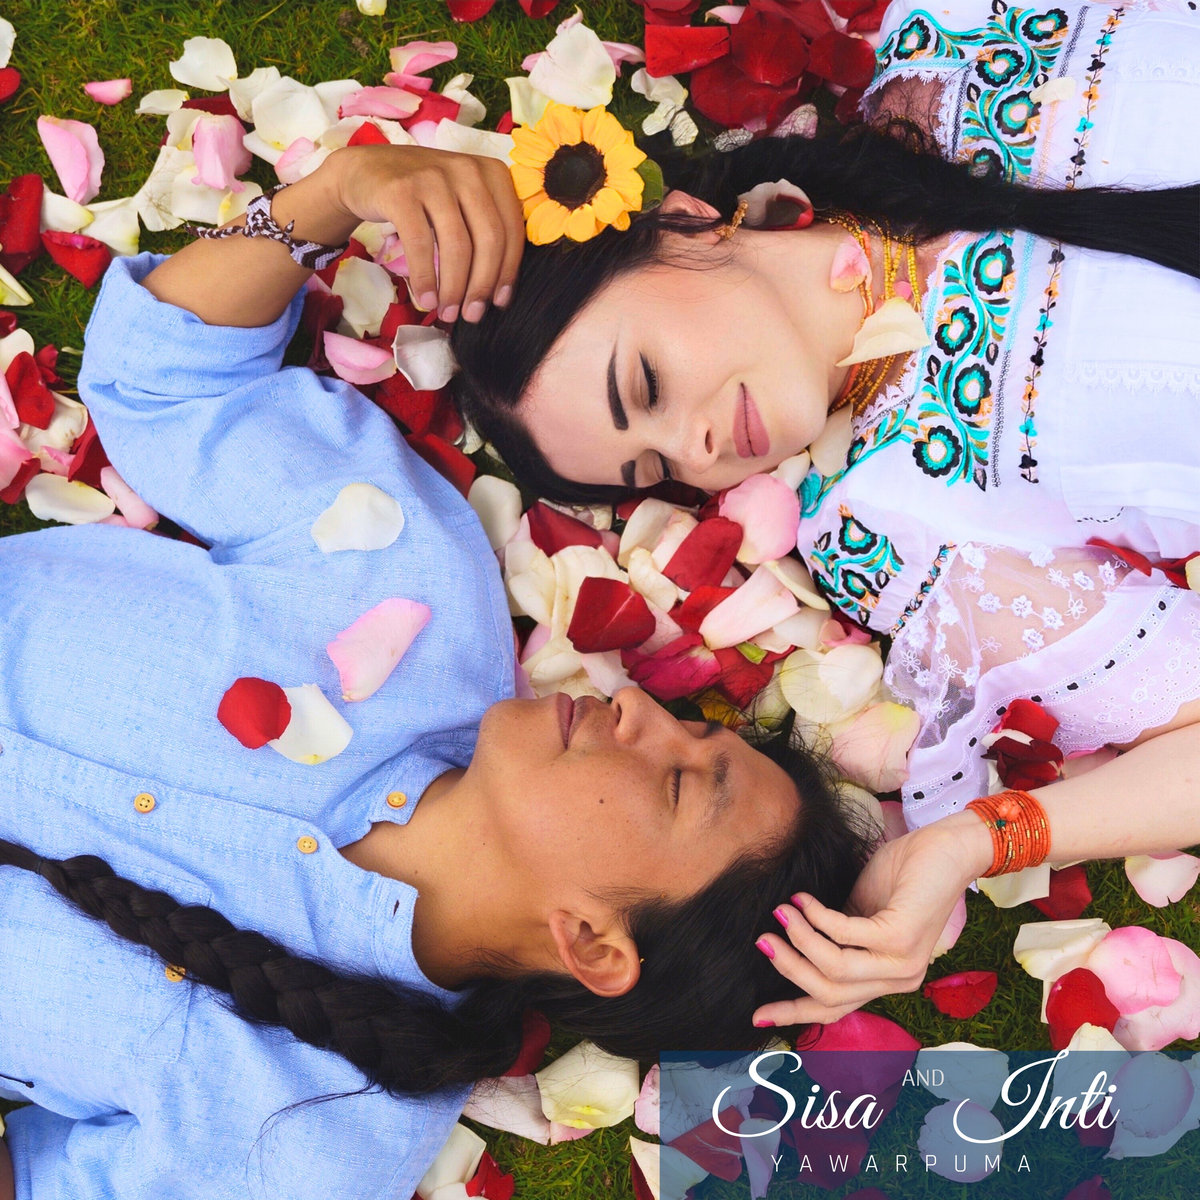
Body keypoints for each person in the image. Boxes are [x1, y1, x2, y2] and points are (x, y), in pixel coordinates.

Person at [0, 147, 877, 1200]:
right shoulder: (412, 584)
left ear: (593, 944)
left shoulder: (311, 1142)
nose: (640, 705)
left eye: (682, 782)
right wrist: (338, 192)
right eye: (694, 730)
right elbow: (164, 383)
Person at [450, 0, 1200, 1027]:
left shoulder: (947, 44)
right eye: (656, 466)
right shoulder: (891, 520)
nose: (698, 450)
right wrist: (971, 840)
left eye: (648, 383)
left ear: (682, 223)